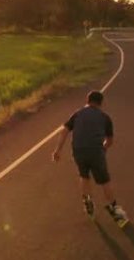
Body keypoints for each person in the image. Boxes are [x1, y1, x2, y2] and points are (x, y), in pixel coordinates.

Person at [52, 90, 128, 227]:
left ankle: (87, 201)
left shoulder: (77, 114)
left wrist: (58, 150)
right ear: (101, 103)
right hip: (95, 151)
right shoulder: (105, 117)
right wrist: (103, 149)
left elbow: (64, 131)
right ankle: (115, 210)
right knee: (104, 180)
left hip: (78, 151)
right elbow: (109, 141)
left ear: (87, 100)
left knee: (84, 175)